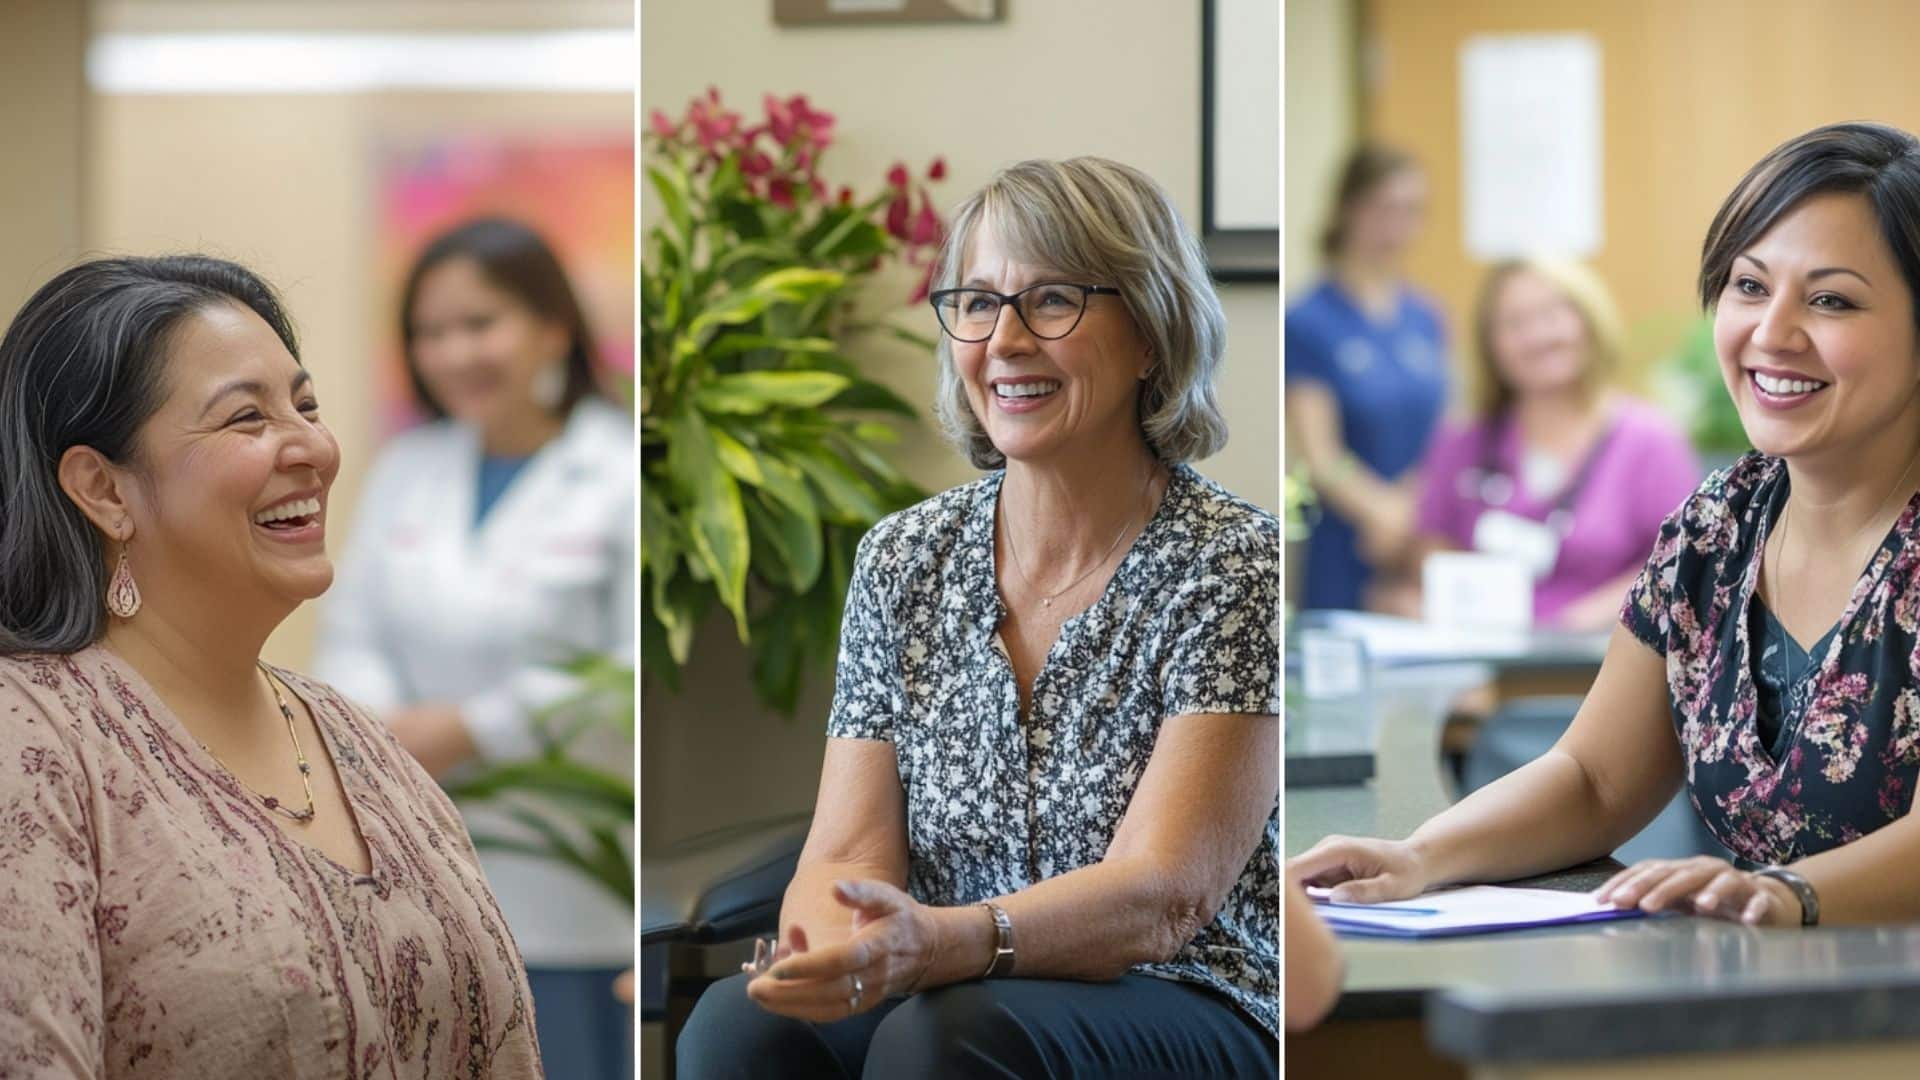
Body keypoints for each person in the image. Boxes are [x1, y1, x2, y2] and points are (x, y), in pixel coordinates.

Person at [676, 158, 1280, 1076]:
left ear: (1152, 332)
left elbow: (1166, 897)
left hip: (1188, 993)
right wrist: (840, 953)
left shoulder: (1233, 563)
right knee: (737, 1029)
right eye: (975, 302)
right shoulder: (903, 559)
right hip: (945, 983)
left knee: (945, 1039)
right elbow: (846, 852)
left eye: (1050, 302)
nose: (1003, 340)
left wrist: (949, 943)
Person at [1291, 122, 1920, 929]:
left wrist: (1789, 892)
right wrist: (1424, 854)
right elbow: (1594, 778)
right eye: (1750, 287)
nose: (1771, 334)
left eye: (1831, 299)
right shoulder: (1715, 529)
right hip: (1768, 989)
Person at [0, 255, 541, 1075]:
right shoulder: (34, 746)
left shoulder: (358, 739)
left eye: (307, 404)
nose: (313, 447)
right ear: (104, 490)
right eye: (246, 418)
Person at [314, 219, 633, 1077]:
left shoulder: (620, 470)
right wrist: (383, 728)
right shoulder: (405, 468)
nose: (454, 352)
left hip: (573, 878)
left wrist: (479, 727)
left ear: (553, 327)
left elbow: (626, 667)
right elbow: (351, 631)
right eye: (431, 332)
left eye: (480, 323)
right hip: (412, 846)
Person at [1407, 259, 1700, 631]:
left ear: (1590, 322)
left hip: (1605, 658)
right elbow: (1431, 542)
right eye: (1514, 323)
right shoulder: (1463, 441)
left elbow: (1682, 564)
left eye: (1553, 314)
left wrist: (1567, 629)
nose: (1537, 336)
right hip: (1479, 661)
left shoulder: (1651, 442)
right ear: (1490, 345)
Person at [1286, 145, 1449, 612]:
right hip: (1348, 540)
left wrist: (1413, 511)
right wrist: (1382, 510)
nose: (1397, 227)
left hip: (1420, 539)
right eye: (1384, 208)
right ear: (1348, 209)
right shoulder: (1308, 320)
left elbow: (1446, 439)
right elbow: (1322, 459)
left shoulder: (1426, 318)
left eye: (1411, 211)